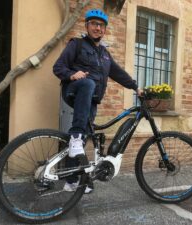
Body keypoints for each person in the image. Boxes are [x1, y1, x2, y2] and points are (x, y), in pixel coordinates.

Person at [53, 9, 142, 193]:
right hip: (75, 91)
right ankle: (76, 137)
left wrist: (136, 87)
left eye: (101, 25)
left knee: (80, 142)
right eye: (94, 24)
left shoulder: (104, 54)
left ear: (105, 30)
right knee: (87, 83)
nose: (98, 28)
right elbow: (58, 67)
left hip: (90, 101)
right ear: (87, 26)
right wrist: (72, 74)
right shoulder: (76, 44)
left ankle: (71, 181)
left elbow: (119, 74)